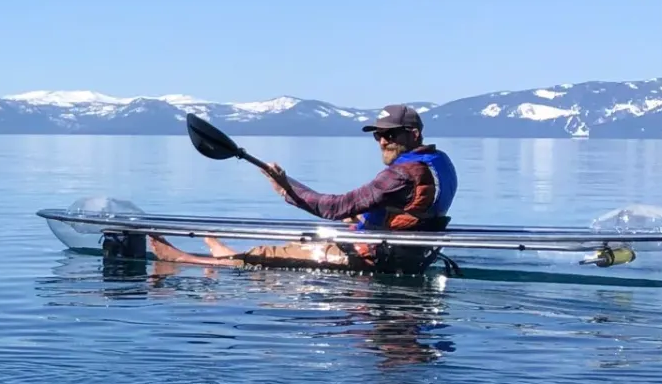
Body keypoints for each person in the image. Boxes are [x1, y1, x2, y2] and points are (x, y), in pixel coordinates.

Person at [150, 103, 458, 270]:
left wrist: (286, 189)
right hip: (409, 254)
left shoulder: (401, 175)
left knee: (268, 254)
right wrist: (287, 184)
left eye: (391, 135)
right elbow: (402, 211)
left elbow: (332, 208)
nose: (382, 141)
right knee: (335, 225)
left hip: (374, 257)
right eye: (378, 134)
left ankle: (184, 260)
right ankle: (226, 254)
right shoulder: (440, 162)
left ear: (414, 134)